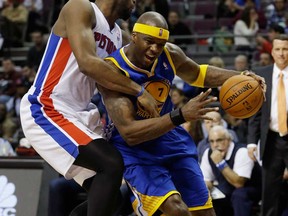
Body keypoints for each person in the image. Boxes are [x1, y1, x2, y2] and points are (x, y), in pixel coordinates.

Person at [99, 11, 265, 216]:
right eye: (149, 42)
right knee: (177, 210)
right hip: (137, 151)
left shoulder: (169, 53)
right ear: (134, 36)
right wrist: (182, 115)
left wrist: (241, 77)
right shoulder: (111, 69)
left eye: (160, 43)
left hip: (171, 140)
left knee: (205, 213)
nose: (155, 49)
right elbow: (130, 132)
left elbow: (197, 74)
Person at [19, 0, 159, 216]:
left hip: (81, 112)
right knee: (110, 164)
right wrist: (139, 92)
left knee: (112, 199)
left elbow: (108, 83)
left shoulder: (119, 35)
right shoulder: (80, 8)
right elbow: (87, 62)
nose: (136, 3)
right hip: (48, 106)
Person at [248, 34, 288, 216]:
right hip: (271, 140)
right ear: (271, 52)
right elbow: (255, 112)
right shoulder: (261, 75)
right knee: (269, 193)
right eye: (278, 49)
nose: (281, 53)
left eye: (285, 49)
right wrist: (251, 141)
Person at [200, 125, 260, 216]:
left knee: (239, 195)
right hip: (226, 190)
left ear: (228, 140)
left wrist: (220, 163)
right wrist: (206, 189)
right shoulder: (208, 153)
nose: (215, 145)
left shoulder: (241, 151)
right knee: (204, 193)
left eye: (219, 140)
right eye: (211, 141)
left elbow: (239, 183)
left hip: (250, 190)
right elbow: (206, 179)